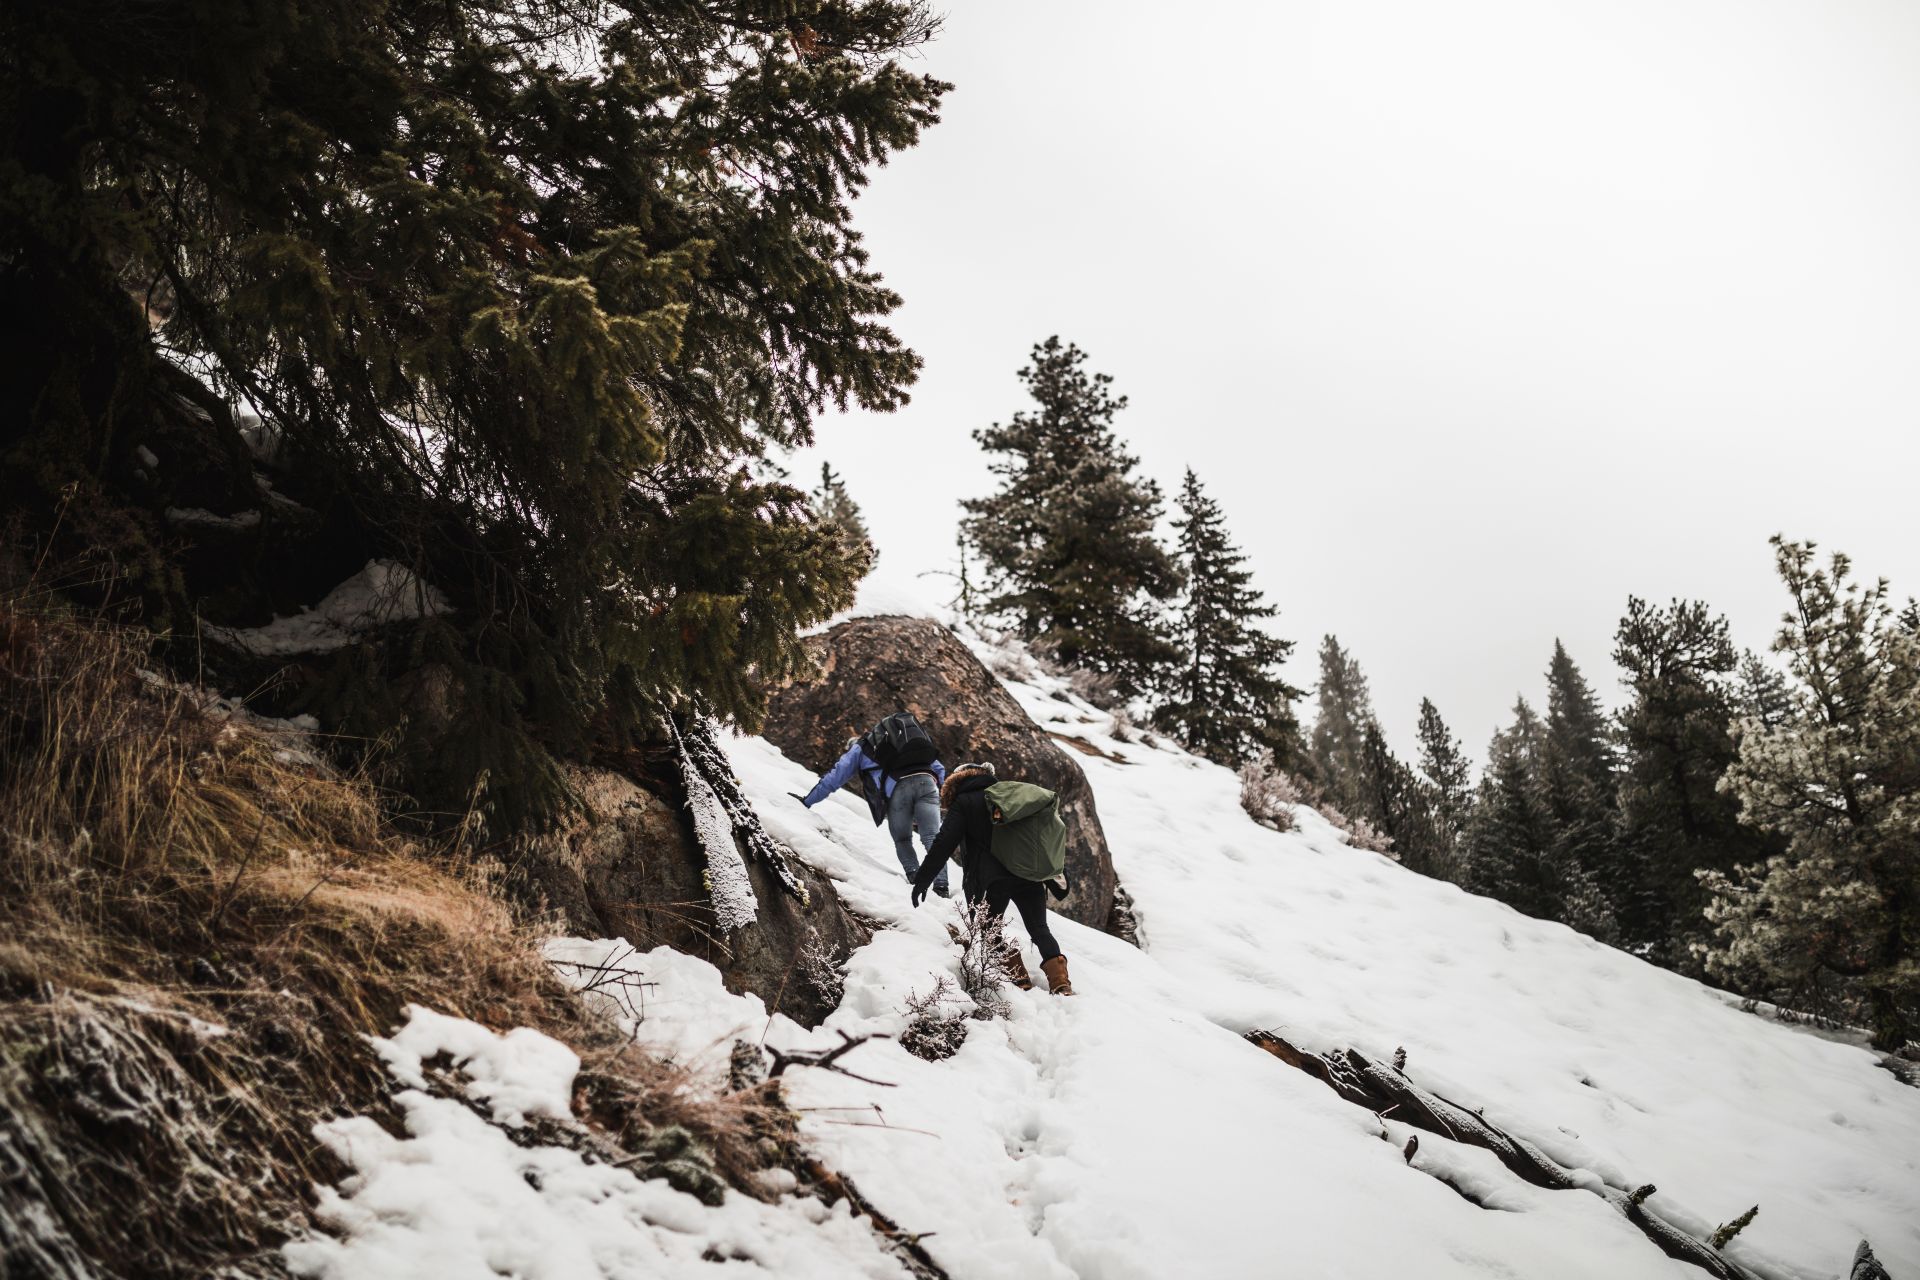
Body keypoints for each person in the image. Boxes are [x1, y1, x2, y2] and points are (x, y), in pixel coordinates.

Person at [911, 762, 1074, 996]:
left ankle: (1019, 979)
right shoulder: (1010, 798)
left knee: (988, 929)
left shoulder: (965, 802)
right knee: (1039, 928)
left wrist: (923, 879)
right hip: (1029, 877)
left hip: (993, 881)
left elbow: (944, 842)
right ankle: (1061, 983)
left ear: (957, 781)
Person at [795, 712, 950, 897]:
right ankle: (941, 886)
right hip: (928, 782)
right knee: (932, 837)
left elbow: (834, 779)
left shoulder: (861, 748)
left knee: (903, 839)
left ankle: (917, 882)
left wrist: (807, 801)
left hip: (898, 791)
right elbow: (939, 768)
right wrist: (934, 792)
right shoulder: (906, 742)